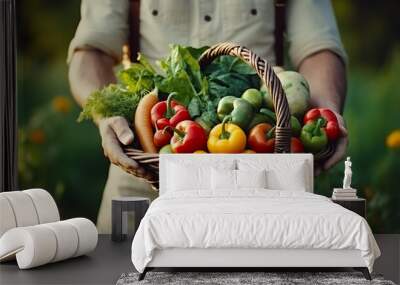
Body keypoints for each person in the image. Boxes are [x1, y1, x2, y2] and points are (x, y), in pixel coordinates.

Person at [68, 0, 348, 233]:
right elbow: (90, 51)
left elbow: (319, 47)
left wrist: (325, 114)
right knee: (119, 268)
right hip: (144, 173)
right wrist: (107, 114)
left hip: (262, 176)